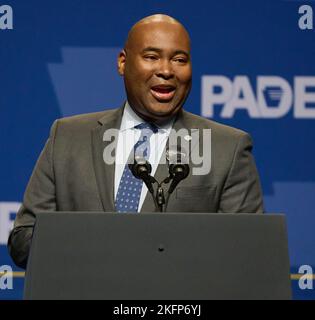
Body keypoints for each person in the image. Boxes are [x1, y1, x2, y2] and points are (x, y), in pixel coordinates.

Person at [8, 14, 264, 269]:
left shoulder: (226, 148)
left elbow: (247, 257)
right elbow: (23, 242)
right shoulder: (67, 136)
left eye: (179, 60)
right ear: (123, 62)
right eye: (152, 57)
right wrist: (102, 252)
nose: (166, 70)